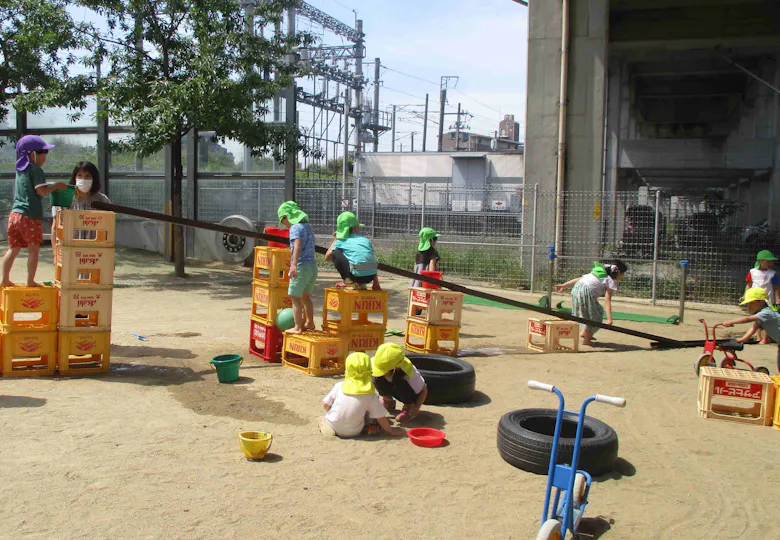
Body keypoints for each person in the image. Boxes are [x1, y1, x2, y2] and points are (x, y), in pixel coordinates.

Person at [1, 135, 68, 287]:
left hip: (14, 215)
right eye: (43, 152)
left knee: (13, 249)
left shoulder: (20, 170)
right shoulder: (36, 170)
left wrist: (49, 185)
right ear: (33, 154)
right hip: (29, 216)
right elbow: (42, 191)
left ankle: (4, 280)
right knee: (33, 250)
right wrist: (56, 186)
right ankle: (30, 281)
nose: (46, 156)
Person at [320, 352, 403, 438]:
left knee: (324, 418)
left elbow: (326, 405)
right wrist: (390, 431)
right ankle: (367, 426)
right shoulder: (369, 394)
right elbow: (380, 416)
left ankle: (330, 429)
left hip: (333, 424)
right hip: (354, 431)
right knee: (369, 411)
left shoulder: (339, 386)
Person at [554, 261, 628, 346]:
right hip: (586, 293)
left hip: (576, 290)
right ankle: (587, 340)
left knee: (591, 313)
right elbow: (607, 300)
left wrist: (563, 285)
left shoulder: (597, 273)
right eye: (623, 274)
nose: (623, 276)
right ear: (617, 273)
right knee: (596, 318)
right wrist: (609, 319)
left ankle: (585, 332)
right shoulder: (609, 281)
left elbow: (579, 279)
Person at [51, 161, 112, 261]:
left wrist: (108, 254)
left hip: (94, 254)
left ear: (94, 179)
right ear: (74, 177)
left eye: (87, 176)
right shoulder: (64, 198)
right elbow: (55, 228)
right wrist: (55, 253)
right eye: (80, 175)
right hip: (69, 251)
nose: (83, 179)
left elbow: (109, 228)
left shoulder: (102, 200)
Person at [277, 201, 317, 334]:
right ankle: (310, 322)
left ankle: (297, 327)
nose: (284, 224)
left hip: (301, 266)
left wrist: (293, 265)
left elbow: (297, 246)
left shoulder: (295, 228)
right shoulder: (307, 226)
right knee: (306, 297)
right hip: (312, 266)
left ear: (287, 216)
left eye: (283, 220)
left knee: (295, 297)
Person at [721, 287, 780, 373]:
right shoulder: (761, 317)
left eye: (751, 303)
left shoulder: (767, 312)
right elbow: (753, 328)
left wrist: (730, 321)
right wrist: (742, 339)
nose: (749, 306)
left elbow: (747, 319)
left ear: (761, 302)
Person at [371, 343, 428, 424]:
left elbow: (424, 390)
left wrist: (416, 407)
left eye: (384, 371)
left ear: (395, 368)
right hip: (392, 387)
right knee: (376, 378)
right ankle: (388, 401)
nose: (381, 373)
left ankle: (409, 407)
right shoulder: (377, 362)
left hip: (408, 393)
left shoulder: (409, 373)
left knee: (400, 384)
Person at [324, 211, 381, 291]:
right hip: (370, 277)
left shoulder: (341, 241)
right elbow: (371, 261)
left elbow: (327, 257)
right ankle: (362, 285)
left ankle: (349, 282)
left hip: (356, 276)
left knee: (335, 253)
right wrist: (376, 284)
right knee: (365, 259)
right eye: (358, 226)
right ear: (355, 228)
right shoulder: (366, 240)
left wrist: (335, 240)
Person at [741, 250, 780, 344]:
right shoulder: (753, 272)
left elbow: (776, 287)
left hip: (768, 299)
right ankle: (758, 336)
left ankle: (765, 338)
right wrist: (745, 295)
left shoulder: (772, 274)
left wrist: (778, 297)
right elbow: (749, 285)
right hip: (755, 299)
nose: (771, 263)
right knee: (757, 317)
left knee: (766, 318)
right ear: (761, 261)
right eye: (768, 261)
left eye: (771, 261)